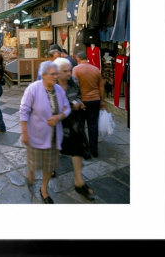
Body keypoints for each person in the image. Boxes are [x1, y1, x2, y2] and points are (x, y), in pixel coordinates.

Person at [20, 61, 71, 204]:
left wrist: (59, 117)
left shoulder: (59, 90)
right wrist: (24, 132)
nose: (56, 77)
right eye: (53, 74)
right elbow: (24, 111)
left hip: (54, 135)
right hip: (35, 133)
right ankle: (30, 174)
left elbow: (67, 108)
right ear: (43, 75)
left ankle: (44, 189)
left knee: (50, 165)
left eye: (57, 73)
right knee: (34, 161)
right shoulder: (33, 89)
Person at [54, 57, 94, 201]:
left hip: (72, 121)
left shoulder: (74, 81)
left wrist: (77, 103)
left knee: (77, 149)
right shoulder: (50, 84)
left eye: (69, 70)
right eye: (65, 71)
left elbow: (78, 96)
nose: (69, 73)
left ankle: (79, 181)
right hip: (56, 122)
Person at [72, 51, 106, 158]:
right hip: (95, 100)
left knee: (81, 127)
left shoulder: (76, 69)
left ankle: (85, 151)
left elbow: (74, 87)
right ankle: (94, 150)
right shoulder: (96, 69)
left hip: (83, 101)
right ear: (87, 58)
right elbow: (101, 86)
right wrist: (102, 100)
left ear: (78, 58)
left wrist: (78, 101)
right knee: (93, 126)